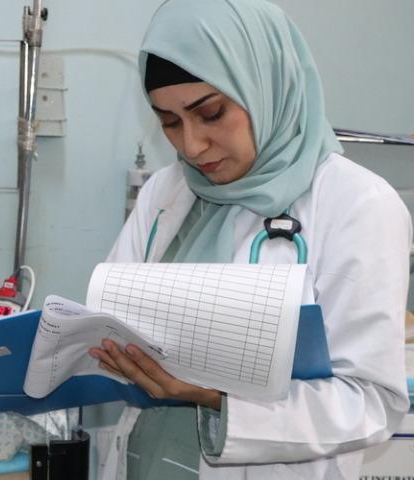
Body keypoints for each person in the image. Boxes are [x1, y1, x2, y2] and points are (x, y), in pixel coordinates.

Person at [87, 0, 411, 478]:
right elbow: (109, 322)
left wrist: (212, 397)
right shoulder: (166, 192)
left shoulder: (356, 203)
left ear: (266, 84)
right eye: (170, 123)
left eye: (212, 113)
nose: (192, 146)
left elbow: (369, 402)